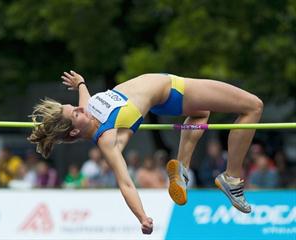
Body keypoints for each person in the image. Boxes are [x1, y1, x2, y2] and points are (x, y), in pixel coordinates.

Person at [28, 70, 263, 234]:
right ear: (73, 132)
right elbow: (125, 183)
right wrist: (142, 217)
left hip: (161, 97)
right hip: (173, 89)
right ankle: (231, 177)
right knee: (253, 106)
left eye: (75, 106)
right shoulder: (109, 139)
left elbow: (84, 99)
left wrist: (80, 83)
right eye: (75, 113)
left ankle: (181, 169)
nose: (80, 108)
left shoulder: (88, 110)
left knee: (201, 113)